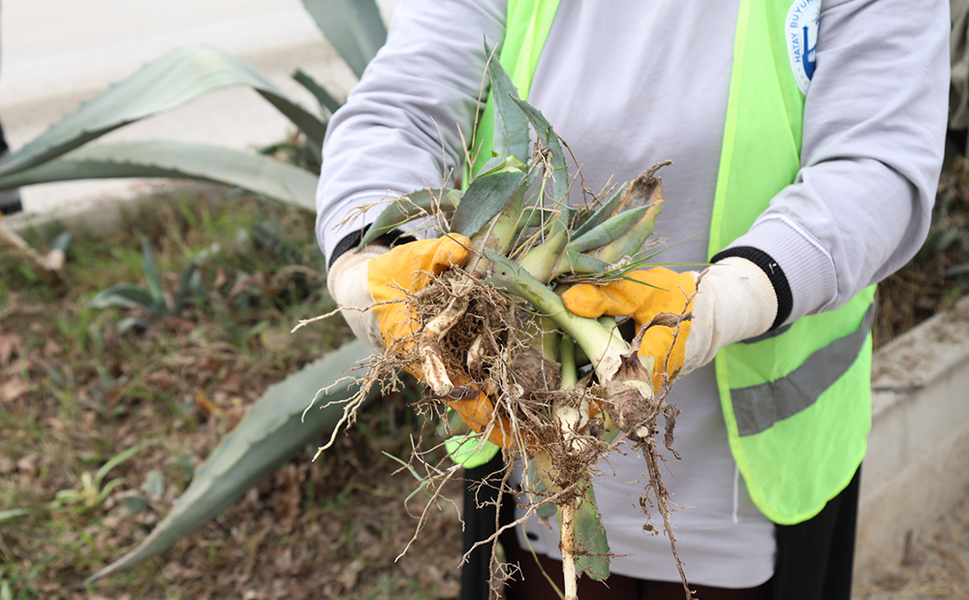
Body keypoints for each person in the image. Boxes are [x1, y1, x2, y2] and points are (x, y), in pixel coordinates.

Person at [317, 1, 950, 599]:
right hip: (523, 456)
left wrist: (734, 297)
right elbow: (401, 109)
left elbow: (875, 165)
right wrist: (368, 261)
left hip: (753, 489)